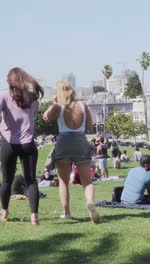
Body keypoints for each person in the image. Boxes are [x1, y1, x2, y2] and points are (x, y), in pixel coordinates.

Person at [43, 80, 100, 223]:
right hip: (80, 141)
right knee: (87, 181)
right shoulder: (82, 105)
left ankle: (67, 212)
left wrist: (53, 103)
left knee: (63, 181)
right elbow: (89, 127)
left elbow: (45, 117)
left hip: (64, 142)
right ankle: (90, 202)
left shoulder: (58, 107)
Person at [0, 68, 43, 225]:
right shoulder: (32, 98)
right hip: (28, 144)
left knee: (7, 180)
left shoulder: (3, 96)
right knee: (31, 180)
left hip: (8, 143)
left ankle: (4, 212)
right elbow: (34, 111)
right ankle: (34, 217)